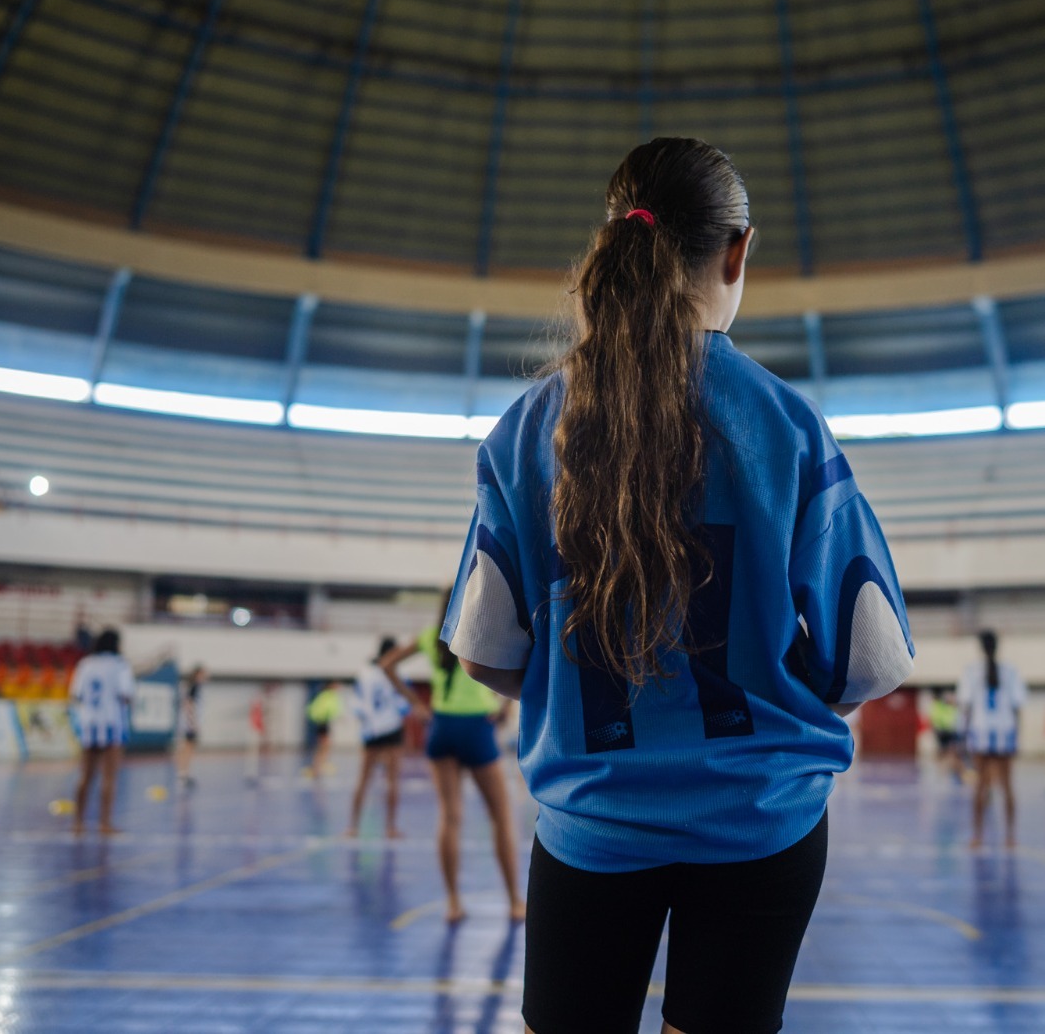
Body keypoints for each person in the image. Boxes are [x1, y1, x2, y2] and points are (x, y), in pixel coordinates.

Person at [438, 138, 915, 1034]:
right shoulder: (788, 424)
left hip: (591, 821)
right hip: (762, 822)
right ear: (737, 252)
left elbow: (486, 655)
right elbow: (871, 657)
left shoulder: (525, 430)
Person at [382, 597, 524, 924]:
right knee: (501, 816)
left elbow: (387, 665)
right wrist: (505, 706)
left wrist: (417, 704)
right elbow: (511, 665)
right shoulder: (479, 630)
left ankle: (453, 903)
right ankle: (515, 901)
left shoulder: (432, 635)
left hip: (442, 727)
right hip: (476, 726)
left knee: (450, 817)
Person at [347, 637, 427, 839]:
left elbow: (356, 704)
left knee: (363, 780)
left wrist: (368, 723)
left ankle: (353, 827)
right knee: (392, 781)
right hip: (391, 730)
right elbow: (404, 705)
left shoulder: (363, 674)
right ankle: (390, 828)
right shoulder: (398, 674)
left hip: (371, 731)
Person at [958, 630, 1026, 850]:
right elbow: (1017, 707)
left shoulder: (971, 671)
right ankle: (1010, 837)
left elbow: (966, 708)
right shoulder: (1011, 671)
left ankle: (977, 837)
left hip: (981, 733)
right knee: (1007, 787)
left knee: (980, 786)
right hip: (1005, 733)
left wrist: (963, 737)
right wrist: (1018, 736)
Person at [68, 628, 135, 836]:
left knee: (85, 776)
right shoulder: (120, 666)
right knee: (109, 777)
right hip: (112, 724)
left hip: (89, 724)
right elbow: (126, 695)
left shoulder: (85, 665)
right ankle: (104, 823)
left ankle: (78, 822)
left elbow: (75, 694)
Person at [174, 664, 207, 788]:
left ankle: (185, 773)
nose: (206, 676)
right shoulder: (194, 687)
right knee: (187, 748)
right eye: (203, 673)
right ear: (198, 674)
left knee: (189, 748)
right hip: (189, 724)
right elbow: (189, 704)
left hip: (188, 723)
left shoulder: (194, 687)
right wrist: (193, 723)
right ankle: (182, 774)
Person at [305, 681, 344, 778]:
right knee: (323, 747)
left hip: (323, 723)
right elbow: (327, 710)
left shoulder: (324, 695)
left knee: (324, 747)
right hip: (323, 723)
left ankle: (319, 767)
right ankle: (316, 768)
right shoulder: (327, 696)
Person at [930, 689, 963, 784]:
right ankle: (940, 769)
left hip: (952, 731)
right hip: (943, 731)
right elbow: (937, 718)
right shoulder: (940, 707)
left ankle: (954, 770)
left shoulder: (953, 708)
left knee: (953, 752)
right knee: (943, 751)